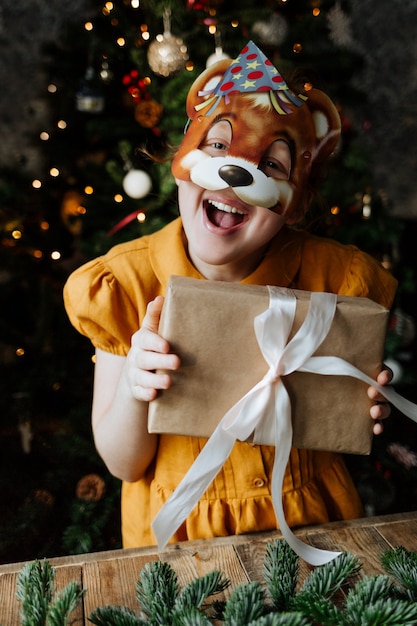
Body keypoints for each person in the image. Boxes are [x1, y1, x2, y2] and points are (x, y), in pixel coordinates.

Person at [64, 41, 396, 549]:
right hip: (180, 543)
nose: (238, 174)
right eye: (217, 146)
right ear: (184, 155)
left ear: (296, 202)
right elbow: (122, 463)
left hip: (312, 528)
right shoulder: (125, 286)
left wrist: (365, 398)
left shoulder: (335, 279)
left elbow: (345, 420)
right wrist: (134, 383)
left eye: (275, 166)